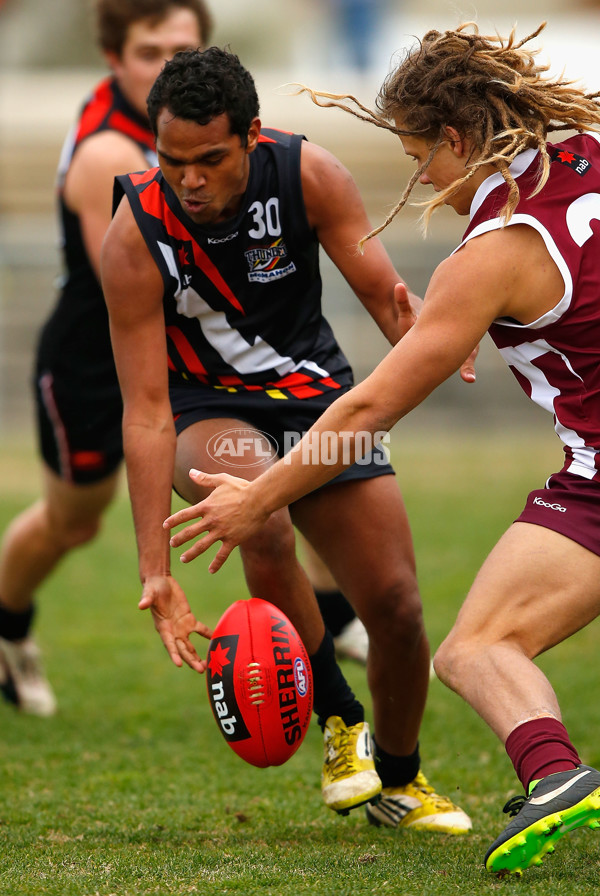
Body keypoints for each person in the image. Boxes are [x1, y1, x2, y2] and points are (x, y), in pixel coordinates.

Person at [163, 24, 600, 875]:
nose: (421, 178)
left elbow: (370, 406)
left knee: (474, 650)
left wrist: (260, 497)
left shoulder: (495, 250)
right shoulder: (586, 150)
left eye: (419, 156)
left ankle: (559, 776)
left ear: (459, 138)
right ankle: (556, 778)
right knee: (478, 641)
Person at [101, 46, 472, 831]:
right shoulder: (134, 234)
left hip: (320, 408)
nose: (189, 180)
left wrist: (442, 336)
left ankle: (400, 782)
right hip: (209, 412)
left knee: (398, 609)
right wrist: (155, 571)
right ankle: (340, 720)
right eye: (173, 161)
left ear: (252, 138)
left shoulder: (307, 175)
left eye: (209, 160)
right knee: (258, 513)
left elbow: (385, 296)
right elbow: (143, 411)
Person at [0, 0, 211, 717]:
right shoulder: (107, 153)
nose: (170, 68)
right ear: (115, 60)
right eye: (151, 52)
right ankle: (7, 624)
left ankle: (339, 620)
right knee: (74, 523)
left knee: (269, 469)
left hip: (179, 350)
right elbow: (135, 285)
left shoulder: (202, 122)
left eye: (183, 51)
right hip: (94, 360)